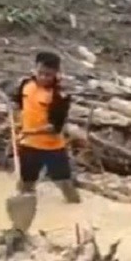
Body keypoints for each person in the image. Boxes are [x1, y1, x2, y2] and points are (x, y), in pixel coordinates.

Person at [12, 51, 80, 201]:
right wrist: (17, 123)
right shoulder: (25, 84)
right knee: (26, 184)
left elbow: (55, 127)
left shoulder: (60, 96)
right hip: (28, 145)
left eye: (48, 75)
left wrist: (29, 132)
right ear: (35, 69)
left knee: (66, 186)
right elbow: (18, 105)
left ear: (56, 73)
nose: (43, 78)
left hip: (52, 148)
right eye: (40, 73)